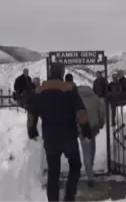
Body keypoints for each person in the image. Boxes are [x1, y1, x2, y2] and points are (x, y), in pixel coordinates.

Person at [26, 63, 93, 202]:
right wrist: (86, 130)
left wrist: (31, 131)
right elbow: (81, 112)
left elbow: (31, 115)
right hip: (68, 134)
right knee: (75, 165)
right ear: (62, 73)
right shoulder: (69, 89)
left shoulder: (39, 91)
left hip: (50, 136)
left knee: (53, 172)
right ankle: (69, 197)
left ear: (50, 73)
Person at [76, 85, 106, 187]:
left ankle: (90, 175)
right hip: (93, 128)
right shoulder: (96, 98)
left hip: (82, 129)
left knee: (86, 151)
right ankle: (90, 169)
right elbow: (102, 112)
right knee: (92, 147)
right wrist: (101, 123)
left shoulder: (77, 99)